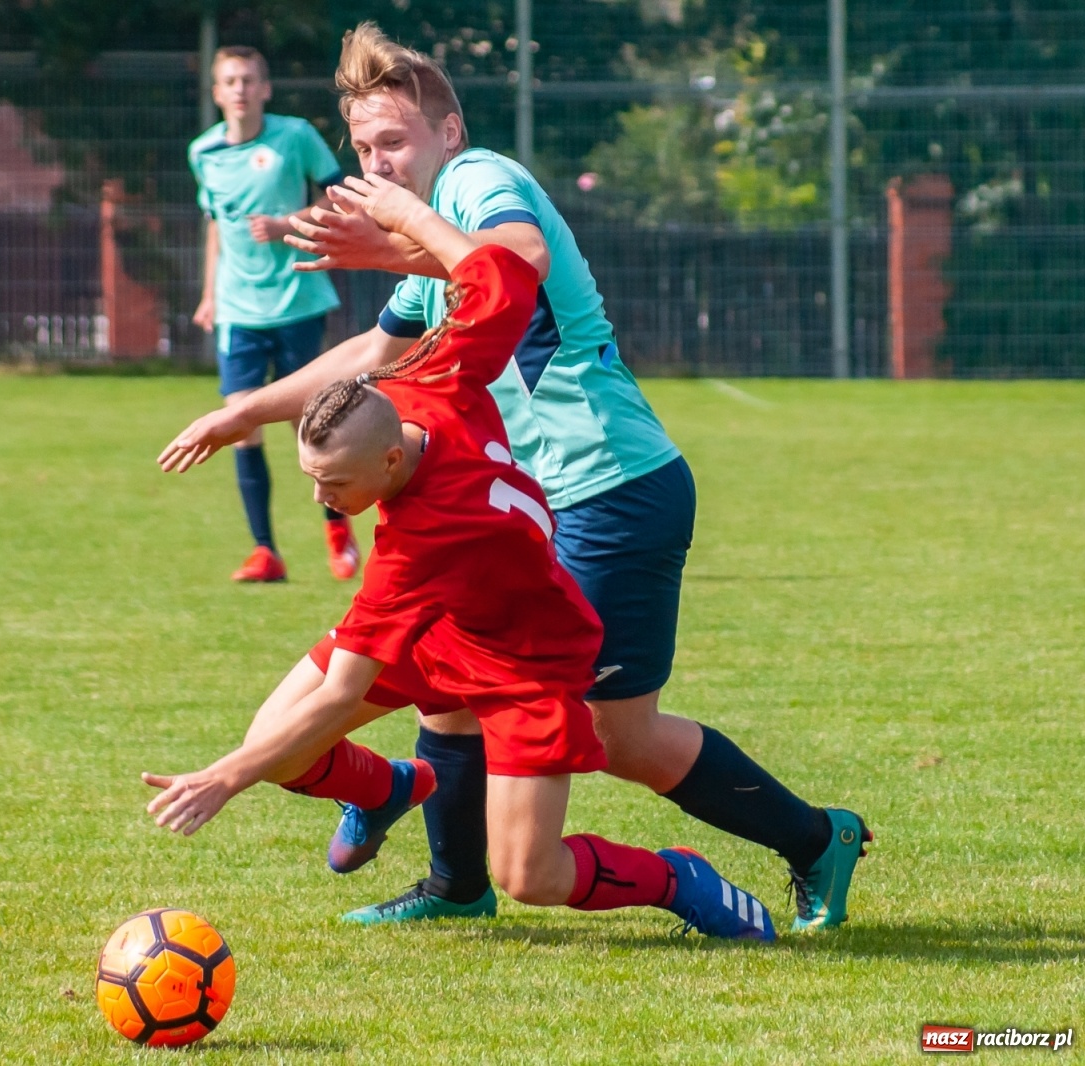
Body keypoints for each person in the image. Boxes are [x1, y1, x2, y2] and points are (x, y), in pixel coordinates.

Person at [161, 23, 868, 933]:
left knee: (622, 739)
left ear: (448, 131)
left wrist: (404, 230)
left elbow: (517, 267)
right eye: (365, 148)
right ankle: (459, 882)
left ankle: (816, 839)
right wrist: (247, 410)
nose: (378, 163)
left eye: (395, 142)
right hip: (532, 512)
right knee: (454, 681)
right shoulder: (437, 219)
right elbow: (378, 349)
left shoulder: (476, 179)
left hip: (612, 490)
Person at [144, 208, 775, 942]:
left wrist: (226, 776)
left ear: (388, 462)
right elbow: (500, 277)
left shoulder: (417, 547)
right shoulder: (427, 379)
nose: (323, 501)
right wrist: (240, 414)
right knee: (277, 737)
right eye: (312, 479)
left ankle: (676, 877)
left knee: (530, 876)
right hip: (446, 623)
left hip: (525, 657)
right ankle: (385, 790)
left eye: (336, 485)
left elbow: (342, 692)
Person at [188, 45, 360, 583]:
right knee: (242, 424)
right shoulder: (203, 152)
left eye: (249, 80)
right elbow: (215, 224)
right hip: (239, 309)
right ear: (217, 93)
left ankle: (338, 531)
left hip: (297, 301)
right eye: (230, 81)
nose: (240, 89)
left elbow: (342, 198)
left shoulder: (295, 137)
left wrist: (288, 223)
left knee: (306, 422)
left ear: (266, 88)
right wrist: (209, 293)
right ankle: (266, 552)